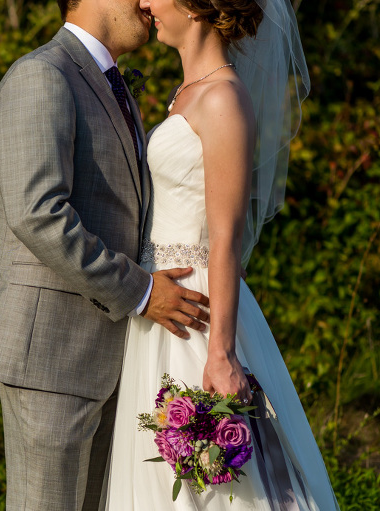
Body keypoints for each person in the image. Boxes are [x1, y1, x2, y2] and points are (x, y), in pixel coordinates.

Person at [0, 1, 214, 509]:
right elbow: (37, 214)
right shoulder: (41, 75)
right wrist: (142, 291)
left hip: (111, 351)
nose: (148, 1)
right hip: (52, 354)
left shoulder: (111, 82)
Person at [101, 0, 340, 509]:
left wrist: (222, 354)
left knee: (217, 484)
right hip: (163, 301)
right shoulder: (184, 94)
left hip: (201, 312)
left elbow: (225, 238)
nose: (144, 4)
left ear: (193, 6)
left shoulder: (223, 100)